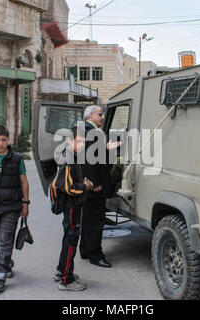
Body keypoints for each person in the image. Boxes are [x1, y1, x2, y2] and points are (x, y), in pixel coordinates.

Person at [0, 125, 30, 293]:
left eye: (3, 140)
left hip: (12, 206)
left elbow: (24, 182)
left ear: (8, 140)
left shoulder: (17, 159)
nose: (1, 143)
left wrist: (26, 203)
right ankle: (6, 262)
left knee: (5, 240)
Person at [79, 105, 121, 268]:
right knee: (95, 221)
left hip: (89, 184)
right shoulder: (91, 131)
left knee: (88, 219)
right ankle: (95, 255)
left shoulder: (87, 130)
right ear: (90, 115)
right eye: (100, 114)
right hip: (94, 186)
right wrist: (95, 184)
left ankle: (85, 250)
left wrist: (105, 147)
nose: (102, 117)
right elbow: (90, 161)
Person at [54, 126, 94, 291]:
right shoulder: (68, 158)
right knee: (71, 241)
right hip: (72, 207)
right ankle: (66, 280)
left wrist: (82, 182)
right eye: (78, 141)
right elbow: (69, 188)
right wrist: (85, 186)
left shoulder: (73, 156)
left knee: (67, 239)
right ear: (69, 140)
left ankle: (61, 270)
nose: (81, 145)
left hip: (72, 206)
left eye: (84, 142)